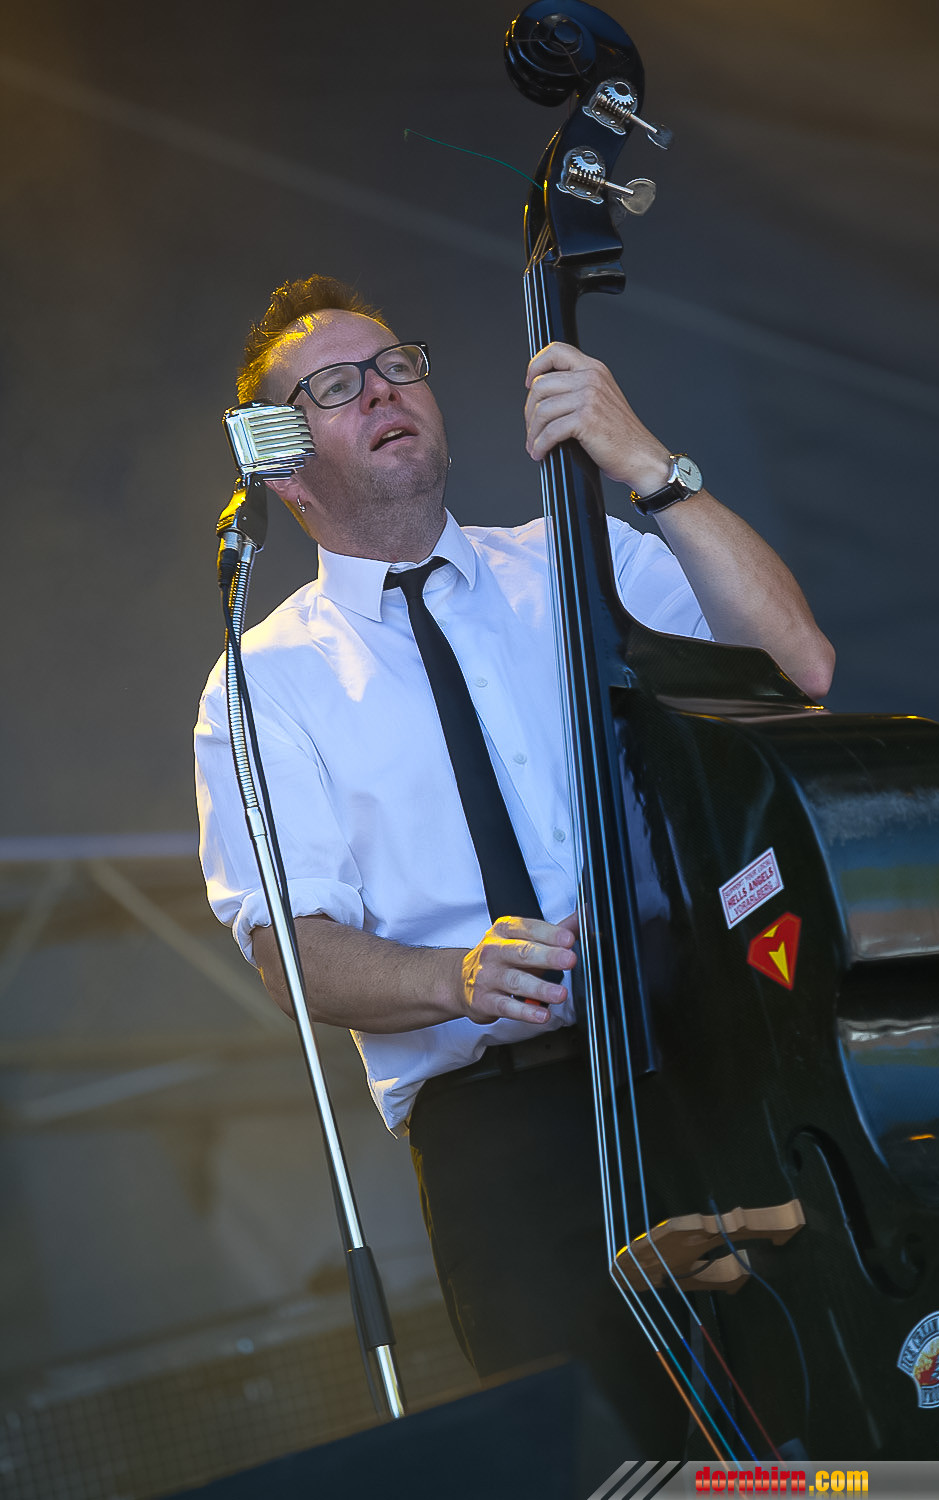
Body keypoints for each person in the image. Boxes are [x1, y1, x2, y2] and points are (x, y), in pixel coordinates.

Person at [195, 274, 834, 1451]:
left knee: (818, 1423)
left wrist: (648, 464)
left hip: (695, 1059)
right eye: (334, 386)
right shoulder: (264, 681)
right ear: (283, 466)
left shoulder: (575, 559)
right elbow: (293, 950)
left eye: (396, 365)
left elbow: (797, 669)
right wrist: (456, 978)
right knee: (614, 1464)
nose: (381, 391)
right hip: (502, 1141)